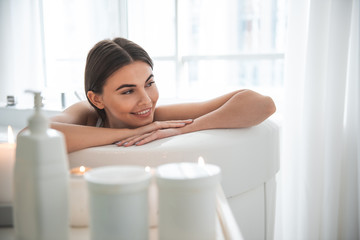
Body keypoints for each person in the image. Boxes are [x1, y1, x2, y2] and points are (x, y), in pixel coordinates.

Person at [50, 38, 276, 153]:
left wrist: (183, 128)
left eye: (149, 84)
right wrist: (133, 132)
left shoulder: (159, 117)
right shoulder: (87, 114)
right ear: (96, 98)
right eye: (128, 91)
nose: (146, 100)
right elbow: (30, 136)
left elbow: (262, 104)